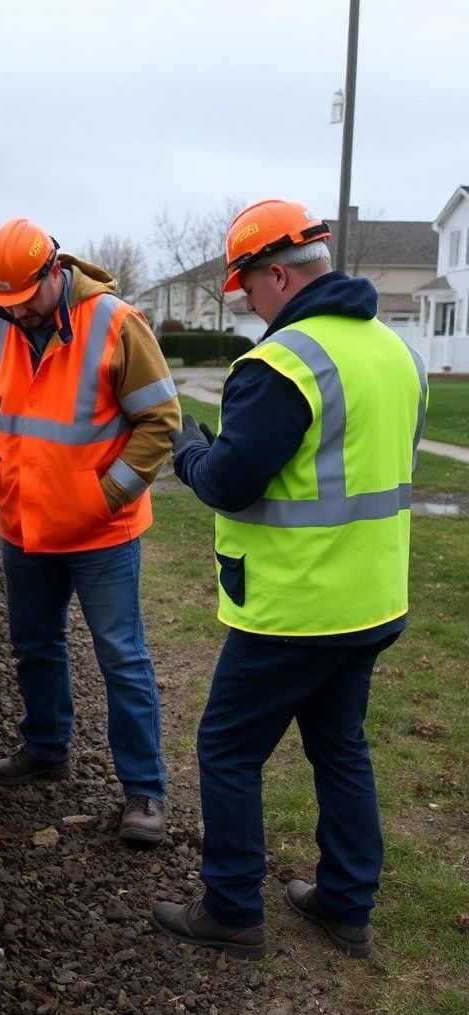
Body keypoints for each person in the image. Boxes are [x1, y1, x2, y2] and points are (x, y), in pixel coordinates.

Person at [152, 198, 428, 959]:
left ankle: (233, 910)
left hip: (297, 607)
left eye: (246, 287)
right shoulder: (395, 352)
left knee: (228, 749)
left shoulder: (281, 364)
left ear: (279, 273)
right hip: (373, 597)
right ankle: (345, 903)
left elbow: (230, 482)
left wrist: (189, 454)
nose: (244, 303)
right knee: (340, 744)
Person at [0, 218, 180, 845]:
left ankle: (144, 791)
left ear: (55, 271)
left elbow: (160, 423)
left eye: (26, 299)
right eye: (2, 303)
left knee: (121, 656)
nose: (18, 313)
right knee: (35, 645)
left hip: (101, 533)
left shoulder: (116, 323)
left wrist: (104, 495)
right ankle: (46, 748)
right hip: (25, 527)